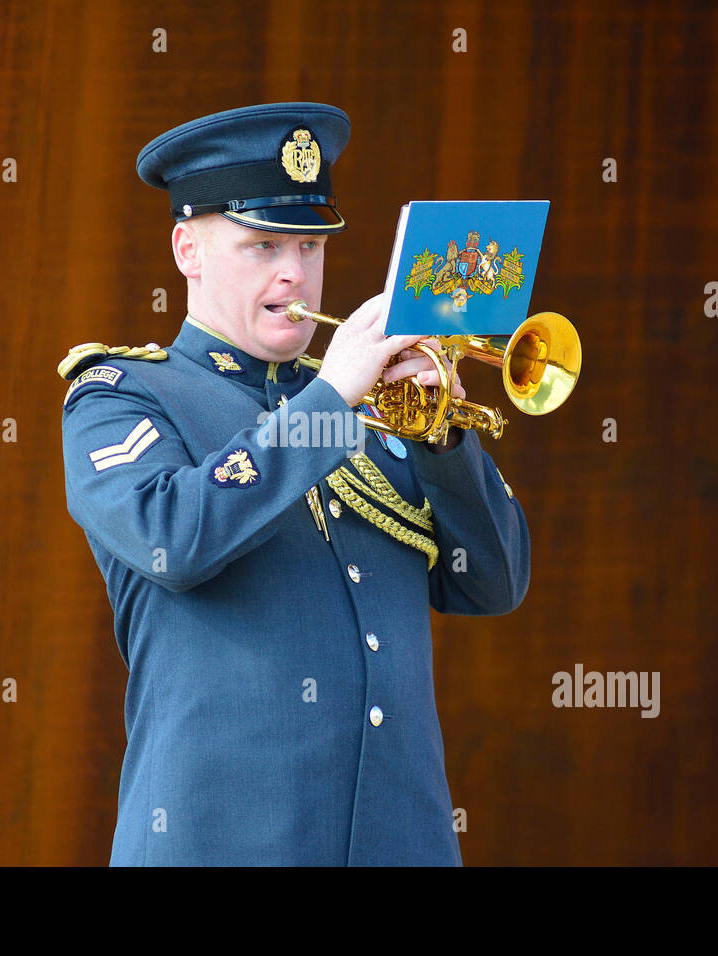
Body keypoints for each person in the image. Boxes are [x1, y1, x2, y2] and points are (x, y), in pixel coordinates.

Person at [59, 102, 531, 865]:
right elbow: (172, 539)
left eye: (310, 246)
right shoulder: (123, 395)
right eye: (262, 246)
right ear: (188, 249)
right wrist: (330, 401)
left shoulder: (374, 406)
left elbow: (495, 583)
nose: (294, 272)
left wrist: (443, 437)